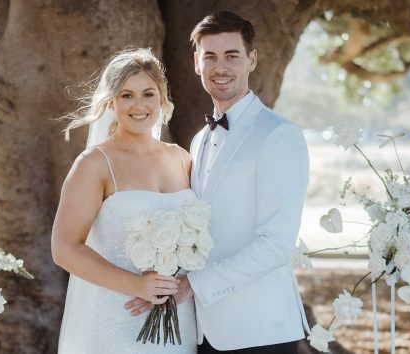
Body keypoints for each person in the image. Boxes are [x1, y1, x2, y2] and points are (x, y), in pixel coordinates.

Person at [125, 11, 310, 354]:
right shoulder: (198, 141)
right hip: (203, 332)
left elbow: (276, 244)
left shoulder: (279, 135)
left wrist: (192, 285)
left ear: (251, 59)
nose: (220, 67)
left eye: (232, 55)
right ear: (197, 63)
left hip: (261, 332)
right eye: (210, 56)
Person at [51, 48, 197, 354]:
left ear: (162, 99)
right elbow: (64, 248)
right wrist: (137, 285)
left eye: (148, 93)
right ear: (111, 102)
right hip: (115, 315)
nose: (139, 105)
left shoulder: (180, 158)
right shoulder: (95, 163)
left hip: (177, 320)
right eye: (127, 95)